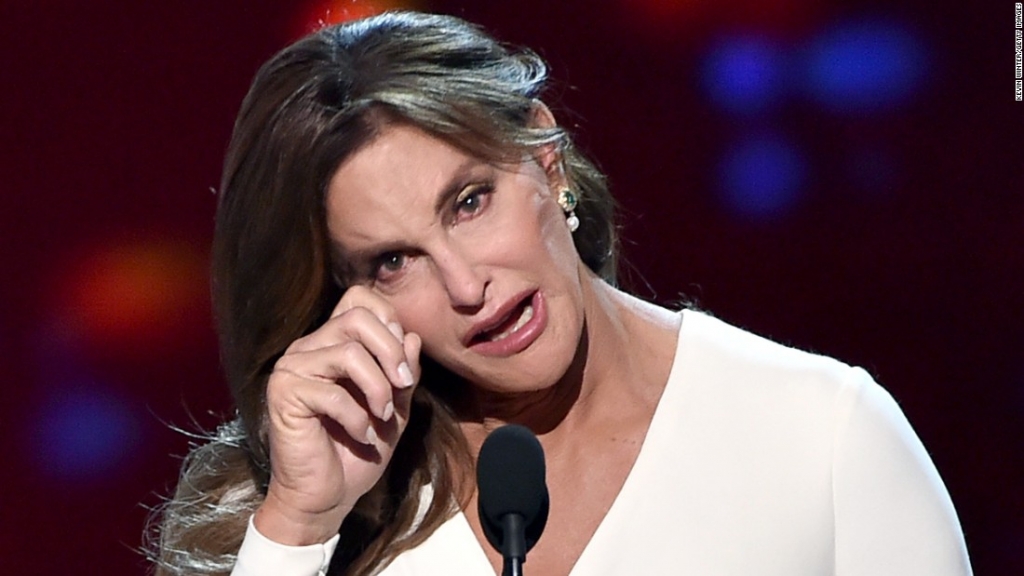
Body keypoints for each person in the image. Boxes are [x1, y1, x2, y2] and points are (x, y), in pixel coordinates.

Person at [149, 11, 972, 576]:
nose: (467, 286)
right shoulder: (301, 503)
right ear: (345, 299)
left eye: (470, 203)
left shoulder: (823, 436)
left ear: (545, 161)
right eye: (395, 261)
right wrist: (297, 528)